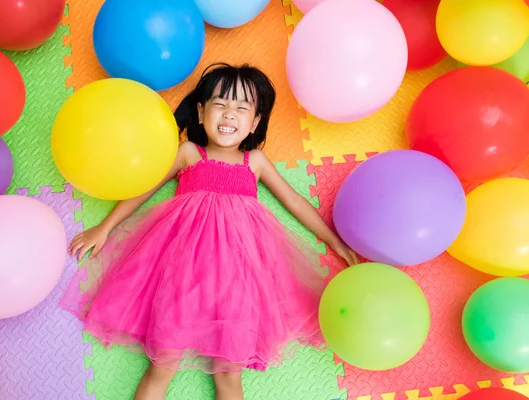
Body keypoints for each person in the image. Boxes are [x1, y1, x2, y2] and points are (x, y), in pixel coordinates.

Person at [61, 63, 358, 400]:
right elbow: (142, 188)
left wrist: (335, 242)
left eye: (242, 108)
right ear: (201, 113)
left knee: (230, 373)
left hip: (238, 280)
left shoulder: (255, 162)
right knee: (162, 365)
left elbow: (295, 202)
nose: (229, 114)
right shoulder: (189, 153)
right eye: (220, 104)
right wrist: (105, 227)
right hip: (182, 274)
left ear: (255, 122)